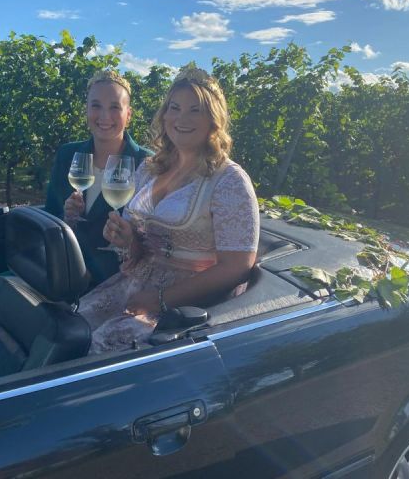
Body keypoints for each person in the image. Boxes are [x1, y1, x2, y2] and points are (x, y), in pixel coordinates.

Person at [78, 67, 260, 353]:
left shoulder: (229, 180)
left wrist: (161, 299)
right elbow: (139, 247)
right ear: (164, 114)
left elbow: (237, 267)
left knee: (98, 350)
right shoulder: (150, 168)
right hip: (134, 284)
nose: (181, 119)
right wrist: (127, 240)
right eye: (174, 108)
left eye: (195, 110)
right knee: (70, 329)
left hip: (184, 305)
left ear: (213, 118)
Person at [45, 69, 152, 287]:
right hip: (62, 268)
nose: (104, 116)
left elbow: (156, 239)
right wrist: (67, 217)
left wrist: (128, 239)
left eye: (114, 107)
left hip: (114, 278)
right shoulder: (68, 155)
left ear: (128, 115)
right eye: (96, 106)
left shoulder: (147, 163)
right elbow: (49, 217)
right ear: (86, 110)